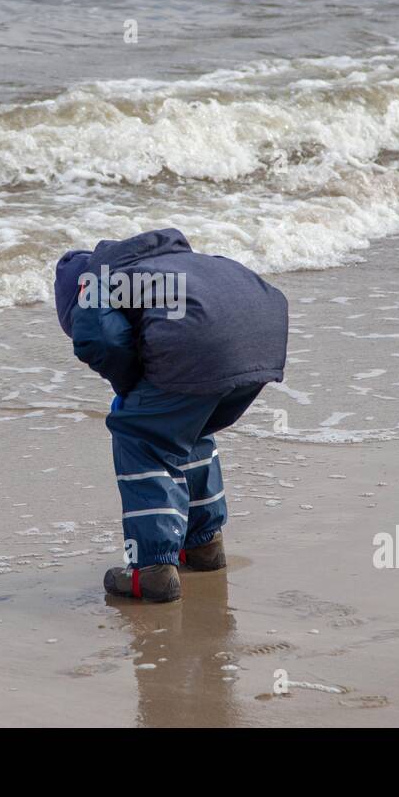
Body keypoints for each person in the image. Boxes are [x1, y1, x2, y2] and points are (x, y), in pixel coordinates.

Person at [53, 228, 289, 602]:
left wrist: (130, 387)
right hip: (263, 333)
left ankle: (152, 570)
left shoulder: (90, 282)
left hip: (203, 339)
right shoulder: (164, 264)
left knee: (140, 435)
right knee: (185, 428)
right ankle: (204, 544)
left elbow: (101, 339)